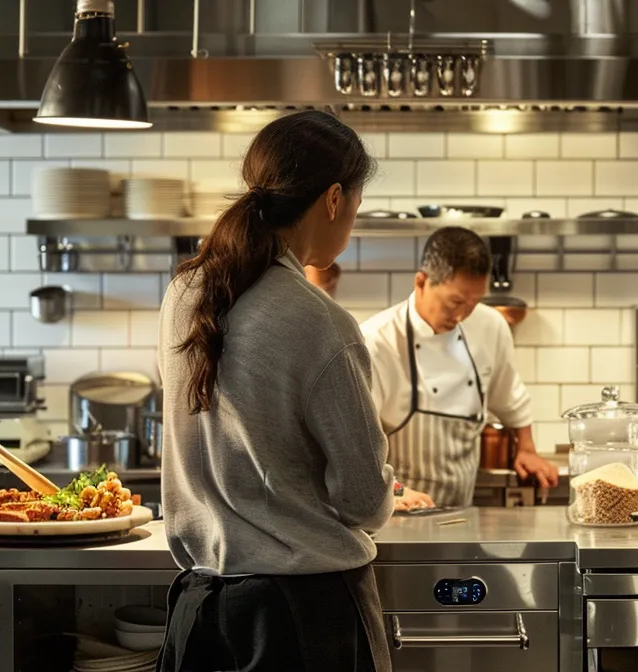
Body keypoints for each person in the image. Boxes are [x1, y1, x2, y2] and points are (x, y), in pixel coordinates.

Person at [156, 110, 393, 672]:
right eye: (355, 208)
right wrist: (383, 490)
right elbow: (363, 500)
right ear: (334, 199)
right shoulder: (320, 321)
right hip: (303, 616)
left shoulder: (183, 293)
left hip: (203, 610)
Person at [360, 227, 561, 510]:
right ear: (421, 282)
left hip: (461, 512)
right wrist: (395, 491)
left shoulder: (491, 326)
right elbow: (358, 447)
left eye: (473, 303)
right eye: (454, 302)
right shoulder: (376, 341)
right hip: (397, 513)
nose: (461, 316)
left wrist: (527, 449)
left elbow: (510, 397)